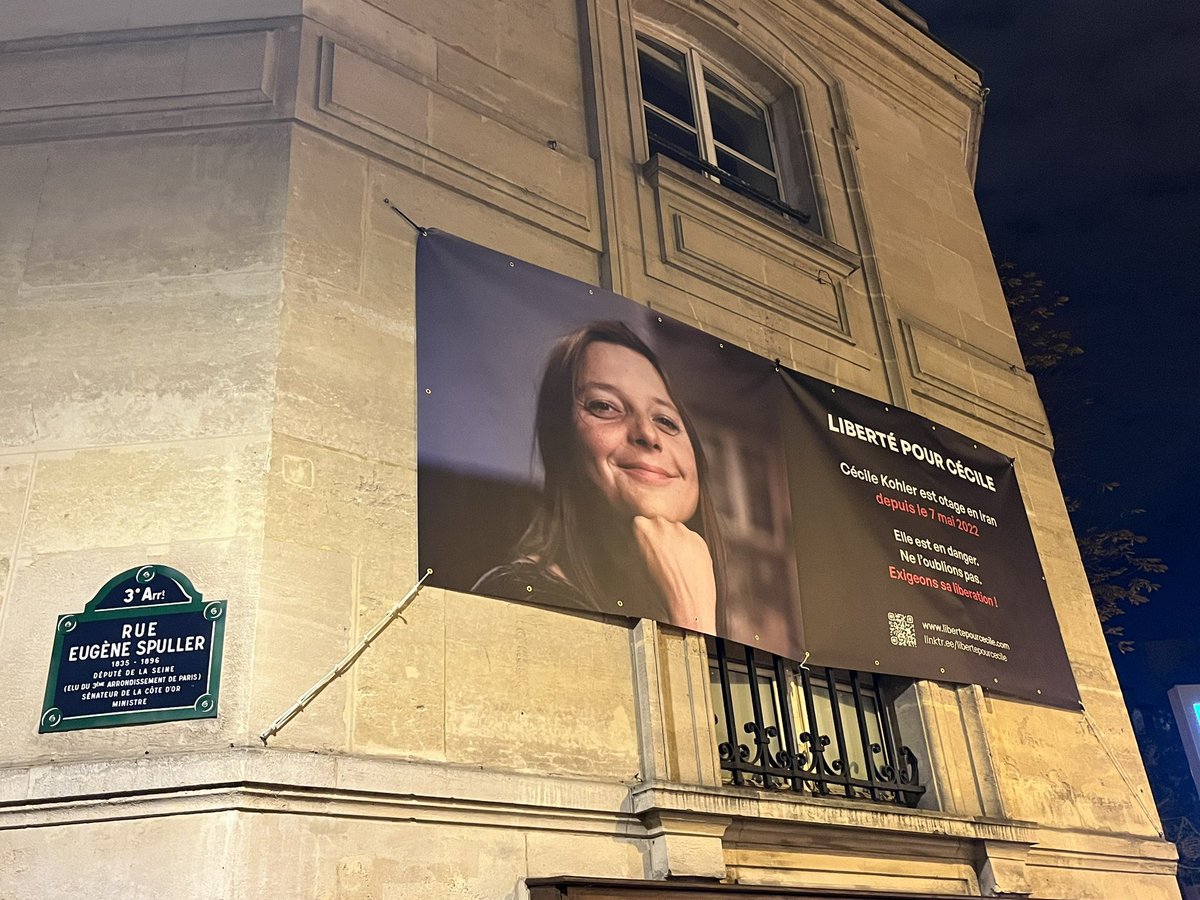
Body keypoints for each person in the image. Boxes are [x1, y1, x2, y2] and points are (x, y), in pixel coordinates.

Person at [474, 320, 727, 634]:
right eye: (605, 406)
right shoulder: (519, 595)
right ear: (560, 440)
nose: (648, 434)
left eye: (665, 420)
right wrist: (693, 617)